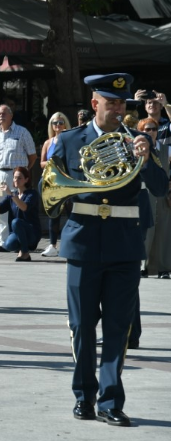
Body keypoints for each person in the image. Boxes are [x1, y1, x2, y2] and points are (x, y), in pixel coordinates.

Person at [56, 73, 166, 427]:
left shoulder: (139, 141)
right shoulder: (70, 141)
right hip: (84, 241)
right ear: (95, 104)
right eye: (111, 102)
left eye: (122, 103)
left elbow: (162, 188)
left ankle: (110, 400)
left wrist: (147, 159)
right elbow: (53, 197)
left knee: (118, 328)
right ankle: (83, 396)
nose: (119, 109)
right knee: (82, 325)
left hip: (124, 244)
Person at [0, 104, 37, 252]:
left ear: (11, 116)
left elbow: (33, 155)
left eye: (4, 113)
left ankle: (19, 240)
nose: (1, 116)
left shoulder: (22, 132)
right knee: (0, 208)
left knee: (17, 207)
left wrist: (23, 173)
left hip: (15, 174)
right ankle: (3, 242)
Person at [137, 117, 171, 280]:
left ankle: (163, 268)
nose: (150, 132)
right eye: (146, 129)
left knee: (164, 230)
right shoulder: (136, 149)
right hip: (144, 192)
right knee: (146, 230)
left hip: (164, 193)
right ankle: (143, 266)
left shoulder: (166, 149)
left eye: (153, 129)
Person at [0, 166, 41, 261]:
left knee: (16, 222)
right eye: (15, 177)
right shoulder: (12, 196)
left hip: (32, 232)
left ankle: (25, 252)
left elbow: (24, 207)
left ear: (26, 180)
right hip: (18, 232)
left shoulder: (32, 194)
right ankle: (21, 249)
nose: (16, 180)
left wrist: (11, 194)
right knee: (8, 245)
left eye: (19, 178)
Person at [39, 112, 72, 257]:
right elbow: (41, 163)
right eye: (54, 123)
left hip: (66, 180)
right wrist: (53, 163)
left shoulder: (70, 140)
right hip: (51, 180)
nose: (57, 125)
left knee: (71, 212)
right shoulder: (48, 142)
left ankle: (70, 243)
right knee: (53, 213)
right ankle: (52, 244)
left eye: (60, 122)